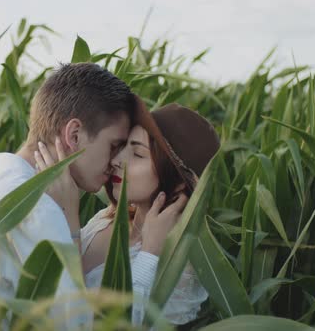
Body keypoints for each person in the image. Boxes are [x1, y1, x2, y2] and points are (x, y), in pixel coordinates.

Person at [0, 62, 138, 330]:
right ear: (74, 134)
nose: (118, 160)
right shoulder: (39, 208)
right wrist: (70, 226)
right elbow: (76, 325)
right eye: (114, 145)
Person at [34, 100, 220, 327]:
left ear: (180, 183)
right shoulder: (107, 217)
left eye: (138, 154)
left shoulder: (183, 265)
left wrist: (149, 255)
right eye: (122, 147)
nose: (116, 161)